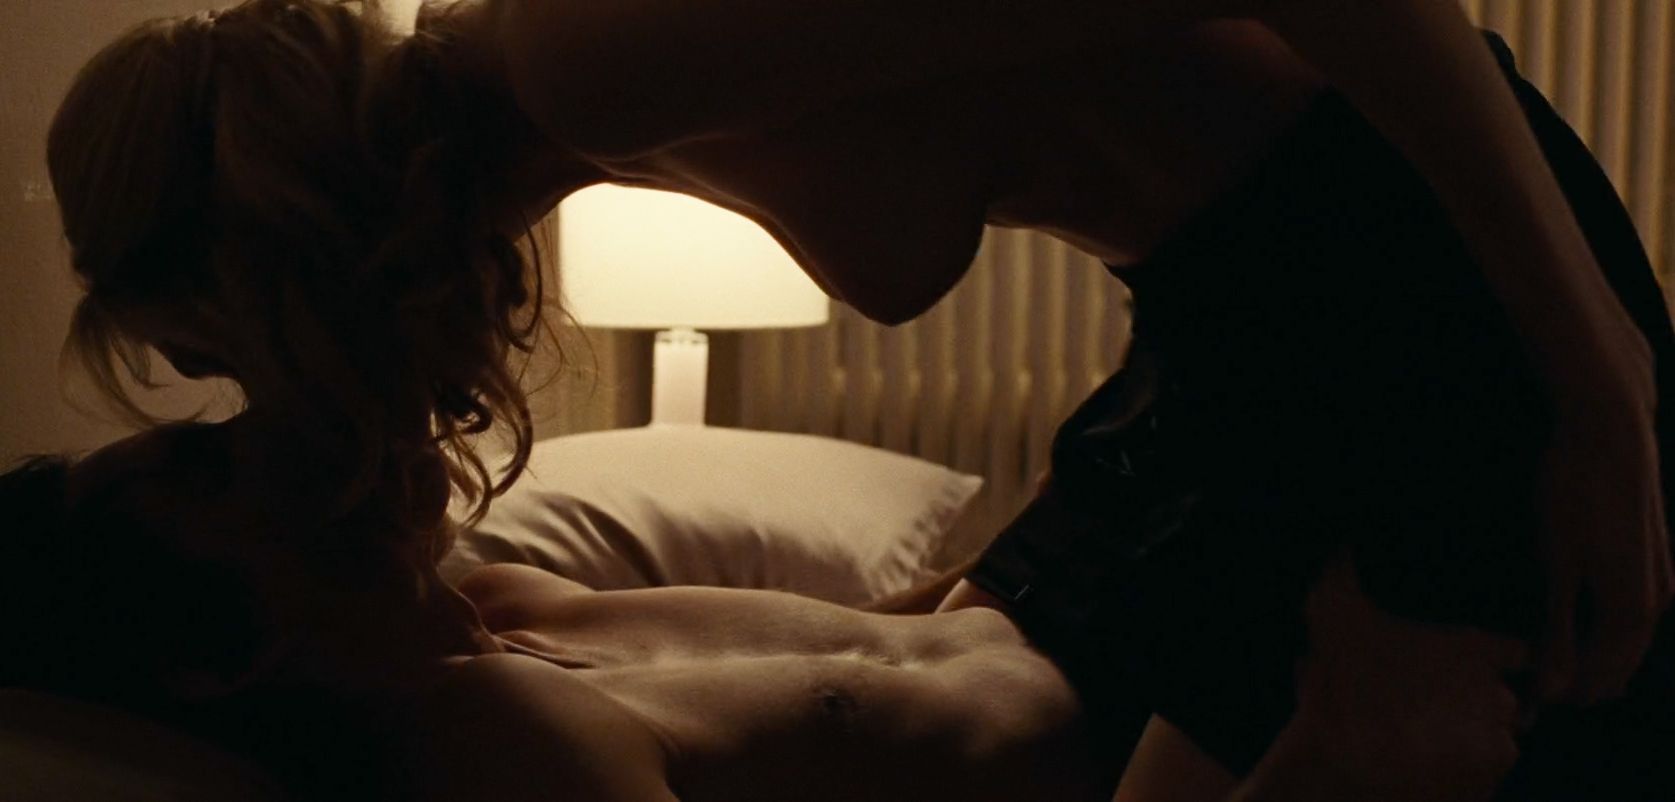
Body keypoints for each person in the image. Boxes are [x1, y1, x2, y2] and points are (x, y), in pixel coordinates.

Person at [43, 0, 1673, 798]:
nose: (282, 407)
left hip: (1388, 266)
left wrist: (1598, 373)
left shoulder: (588, 60)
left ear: (281, 251)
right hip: (1235, 328)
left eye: (237, 353)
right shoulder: (557, 121)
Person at [0, 420, 1525, 802]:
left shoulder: (501, 596)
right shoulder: (493, 735)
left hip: (1082, 602)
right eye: (204, 468)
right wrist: (1324, 768)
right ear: (215, 653)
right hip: (1177, 734)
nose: (260, 431)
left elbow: (881, 651)